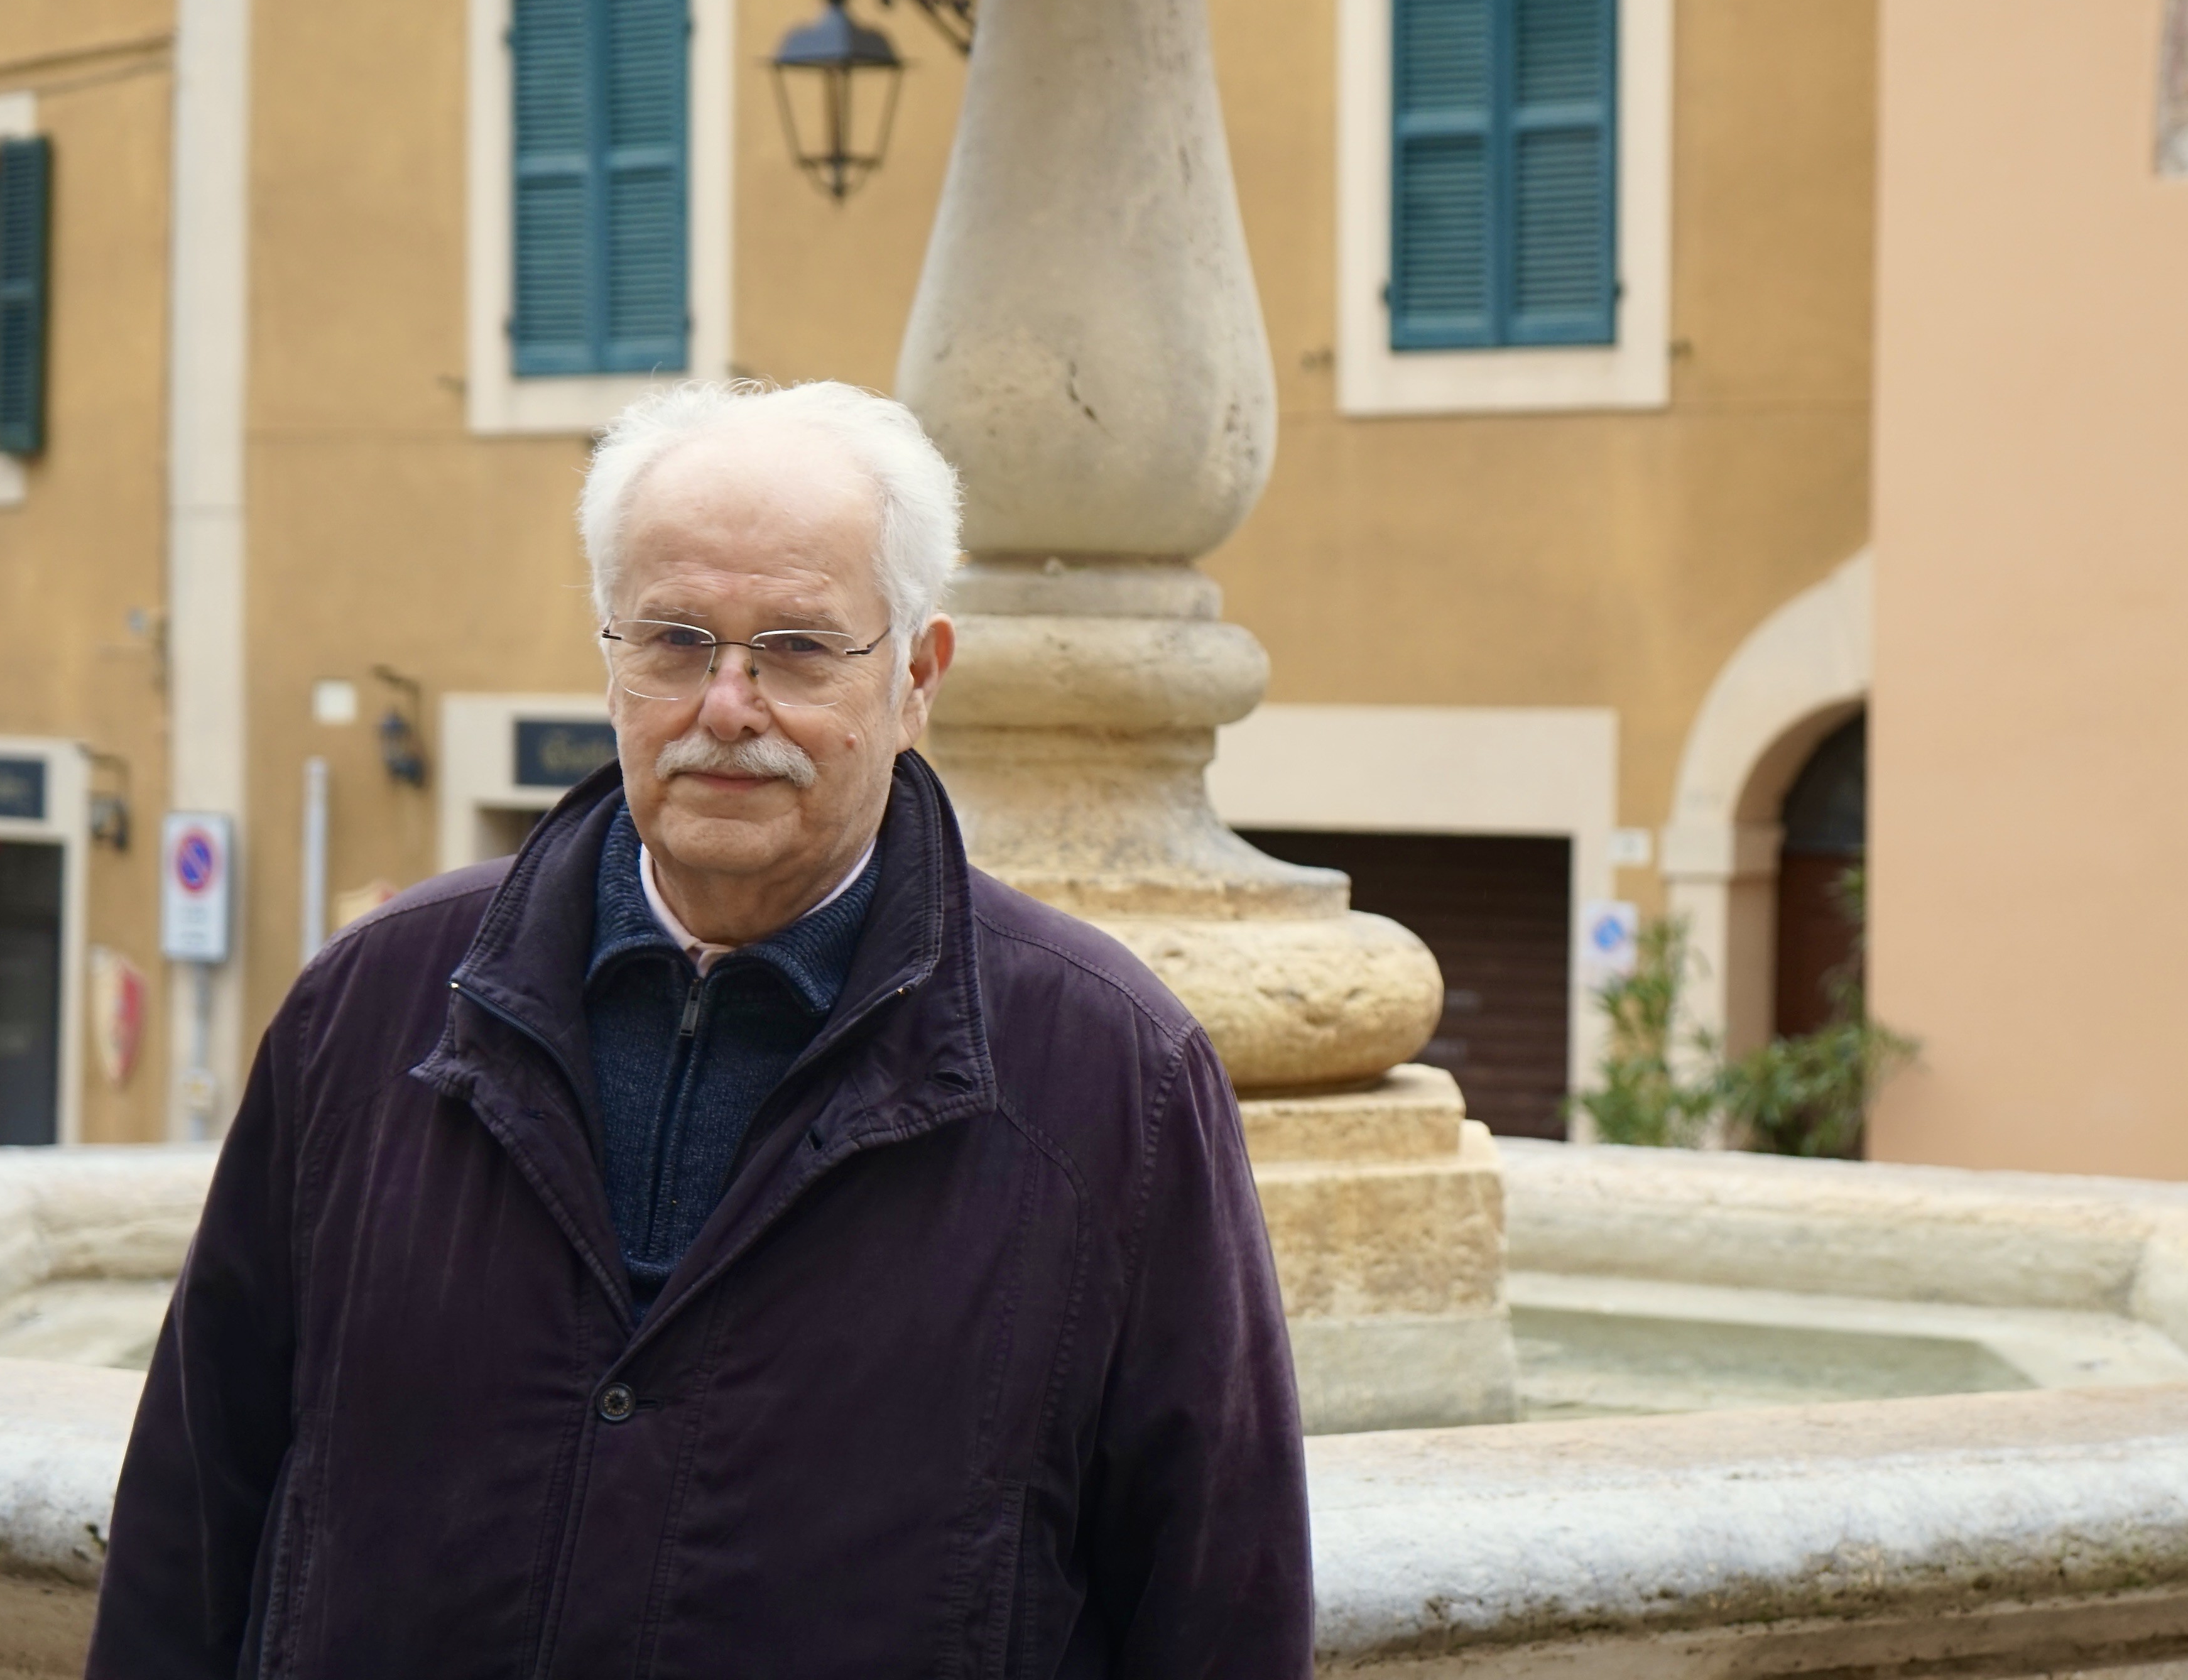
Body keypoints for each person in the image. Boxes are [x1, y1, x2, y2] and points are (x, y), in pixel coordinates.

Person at [90, 380, 1311, 1677]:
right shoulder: (372, 1005)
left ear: (916, 678)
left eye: (795, 646)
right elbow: (194, 1520)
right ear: (609, 657)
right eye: (676, 639)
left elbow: (1218, 1605)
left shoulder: (1113, 1079)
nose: (727, 704)